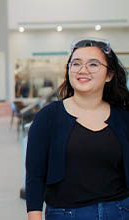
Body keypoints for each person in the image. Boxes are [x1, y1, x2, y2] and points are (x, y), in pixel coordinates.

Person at [26, 38, 129, 220]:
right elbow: (35, 176)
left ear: (109, 75)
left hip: (119, 212)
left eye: (93, 64)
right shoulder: (48, 117)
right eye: (76, 64)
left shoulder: (123, 117)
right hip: (66, 214)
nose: (83, 70)